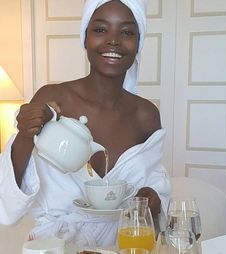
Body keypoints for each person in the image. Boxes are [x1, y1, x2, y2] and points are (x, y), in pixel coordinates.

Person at [0, 0, 171, 248]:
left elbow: (156, 184)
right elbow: (6, 205)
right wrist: (26, 135)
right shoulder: (52, 98)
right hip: (57, 246)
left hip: (125, 245)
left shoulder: (146, 114)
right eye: (101, 29)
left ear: (139, 44)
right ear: (85, 38)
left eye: (126, 32)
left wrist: (155, 199)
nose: (113, 40)